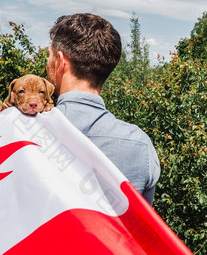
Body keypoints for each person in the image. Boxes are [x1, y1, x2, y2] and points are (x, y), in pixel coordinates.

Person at [46, 13, 160, 205]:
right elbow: (141, 225)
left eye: (48, 57)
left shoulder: (22, 129)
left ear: (61, 61)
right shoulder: (140, 146)